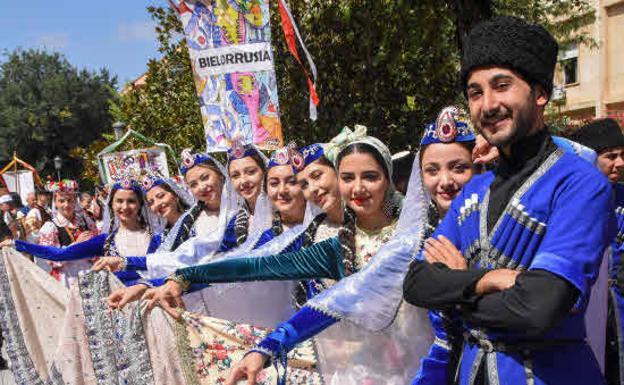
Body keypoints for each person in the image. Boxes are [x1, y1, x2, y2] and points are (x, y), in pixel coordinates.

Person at [402, 16, 614, 385]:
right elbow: (417, 283)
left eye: (502, 86)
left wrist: (456, 285)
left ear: (540, 92)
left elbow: (538, 309)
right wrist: (489, 280)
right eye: (475, 92)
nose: (488, 104)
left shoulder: (581, 185)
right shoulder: (475, 190)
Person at [0, 179, 162, 286]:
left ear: (140, 204)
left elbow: (165, 267)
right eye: (119, 201)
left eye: (131, 201)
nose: (125, 207)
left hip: (153, 299)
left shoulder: (156, 238)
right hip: (117, 301)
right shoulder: (106, 240)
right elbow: (58, 254)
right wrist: (17, 244)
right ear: (111, 205)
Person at [572, 117, 624, 384]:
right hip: (586, 313)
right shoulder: (572, 203)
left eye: (622, 155)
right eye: (610, 156)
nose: (620, 163)